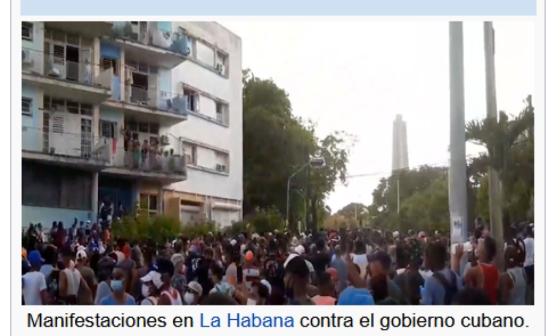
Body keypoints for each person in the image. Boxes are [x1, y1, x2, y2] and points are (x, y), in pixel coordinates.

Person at [421, 241, 462, 305]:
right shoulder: (455, 275)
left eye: (424, 257)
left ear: (430, 259)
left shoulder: (430, 281)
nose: (423, 260)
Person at [464, 236, 499, 304]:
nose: (476, 246)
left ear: (484, 251)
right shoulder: (496, 269)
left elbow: (463, 286)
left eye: (478, 244)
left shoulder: (475, 270)